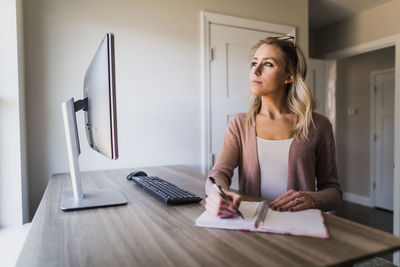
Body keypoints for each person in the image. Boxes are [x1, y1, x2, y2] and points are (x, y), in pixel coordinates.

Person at [205, 36, 342, 218]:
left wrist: (312, 199)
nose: (256, 70)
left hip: (299, 228)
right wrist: (217, 195)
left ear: (288, 76)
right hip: (251, 225)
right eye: (254, 63)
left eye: (268, 64)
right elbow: (218, 173)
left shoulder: (319, 125)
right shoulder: (239, 123)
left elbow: (333, 192)